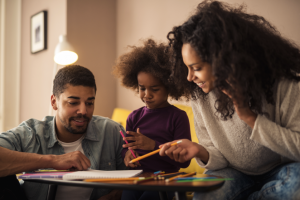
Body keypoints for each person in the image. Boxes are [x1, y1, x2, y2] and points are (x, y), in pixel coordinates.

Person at [159, 1, 300, 200]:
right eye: (187, 67)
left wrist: (250, 117)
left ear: (225, 60)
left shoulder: (284, 83)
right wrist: (199, 150)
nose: (189, 77)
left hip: (283, 170)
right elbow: (219, 159)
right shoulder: (199, 93)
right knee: (205, 194)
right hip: (233, 174)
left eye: (197, 68)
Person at [0, 65, 127, 200]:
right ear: (54, 102)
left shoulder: (112, 131)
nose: (83, 111)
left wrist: (113, 196)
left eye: (89, 103)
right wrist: (52, 161)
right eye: (73, 103)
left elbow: (135, 179)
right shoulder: (31, 133)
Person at [113, 39, 191, 200]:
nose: (146, 95)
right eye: (142, 88)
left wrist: (153, 146)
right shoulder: (134, 117)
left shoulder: (178, 117)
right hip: (139, 177)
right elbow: (127, 148)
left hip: (168, 180)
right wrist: (127, 155)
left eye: (154, 89)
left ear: (169, 86)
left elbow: (184, 162)